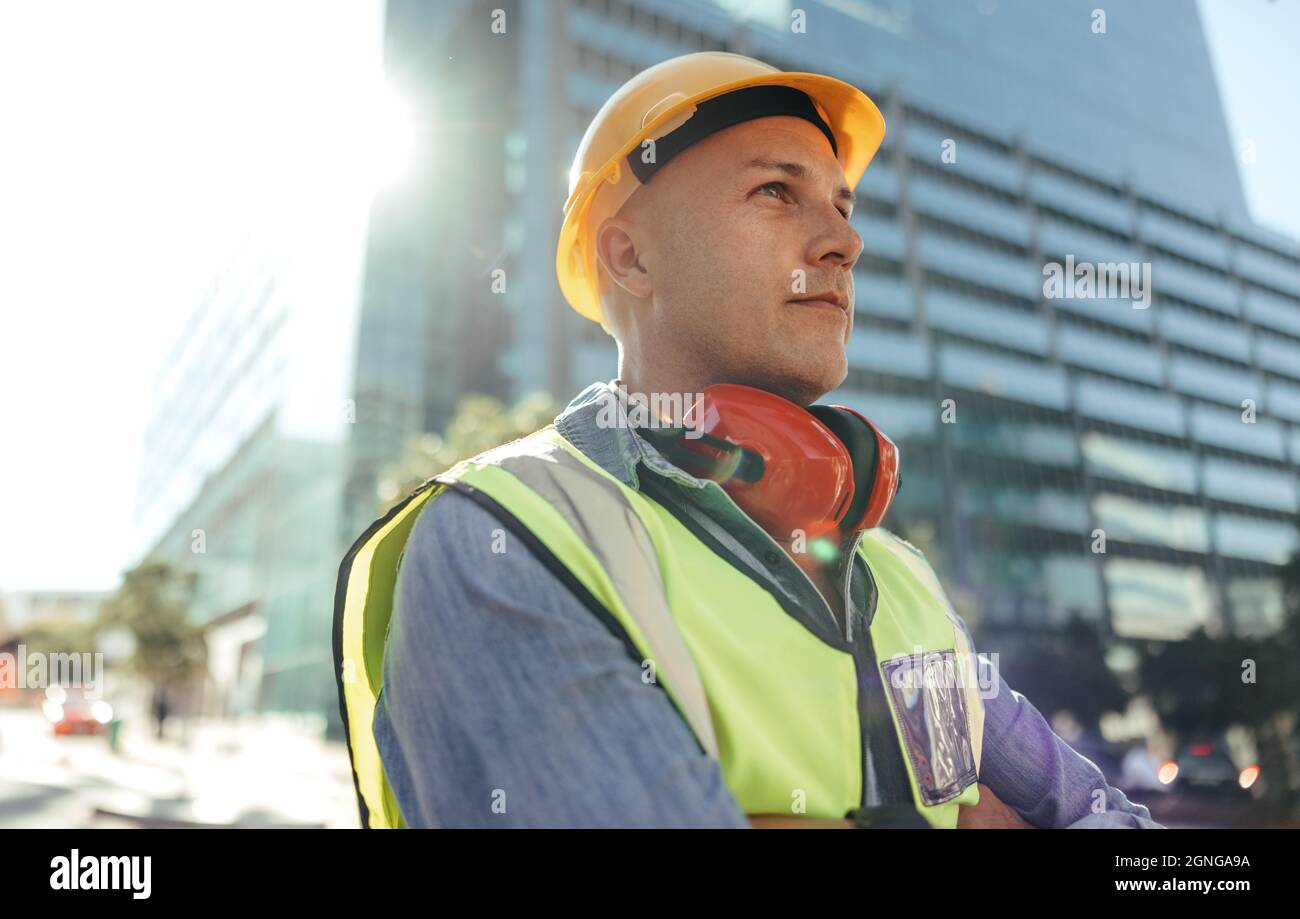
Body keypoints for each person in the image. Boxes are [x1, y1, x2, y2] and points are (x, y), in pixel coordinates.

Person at [334, 51, 1163, 829]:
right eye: (775, 191)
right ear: (629, 257)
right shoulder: (503, 535)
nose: (847, 242)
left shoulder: (894, 574)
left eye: (843, 205)